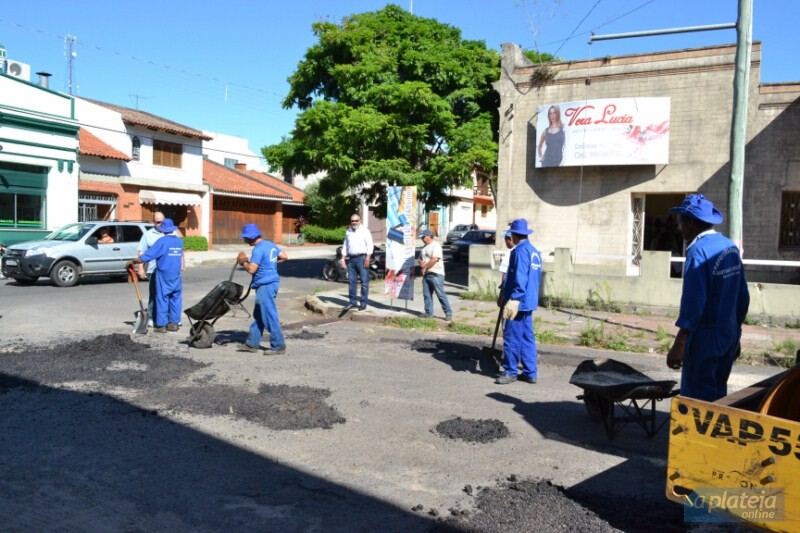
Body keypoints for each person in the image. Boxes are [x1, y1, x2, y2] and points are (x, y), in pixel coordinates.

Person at [666, 194, 750, 401]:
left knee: (697, 399)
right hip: (728, 333)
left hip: (706, 338)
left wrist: (680, 343)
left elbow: (694, 302)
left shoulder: (698, 251)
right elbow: (743, 296)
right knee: (718, 394)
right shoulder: (728, 246)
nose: (679, 228)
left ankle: (696, 434)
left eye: (681, 222)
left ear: (691, 222)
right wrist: (736, 334)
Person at [495, 219, 542, 385]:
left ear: (514, 235)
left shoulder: (519, 252)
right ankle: (530, 372)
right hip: (528, 302)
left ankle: (510, 371)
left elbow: (520, 278)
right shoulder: (534, 251)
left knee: (512, 337)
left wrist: (514, 299)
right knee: (527, 338)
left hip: (518, 301)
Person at [236, 223, 288, 354]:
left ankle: (278, 346)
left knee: (269, 315)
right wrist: (269, 264)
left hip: (265, 285)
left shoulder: (258, 249)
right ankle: (252, 344)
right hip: (272, 283)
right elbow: (284, 256)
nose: (244, 240)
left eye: (245, 237)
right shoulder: (270, 245)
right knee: (259, 315)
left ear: (250, 237)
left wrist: (243, 262)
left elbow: (252, 269)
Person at [128, 218, 185, 333]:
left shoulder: (162, 241)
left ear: (163, 230)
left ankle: (161, 325)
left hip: (163, 274)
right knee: (175, 298)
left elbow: (148, 255)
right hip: (176, 274)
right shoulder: (179, 241)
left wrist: (133, 261)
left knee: (162, 298)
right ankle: (174, 323)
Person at [137, 211, 166, 327]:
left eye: (163, 222)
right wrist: (140, 268)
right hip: (153, 270)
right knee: (154, 295)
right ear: (153, 222)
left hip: (168, 271)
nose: (161, 224)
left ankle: (166, 318)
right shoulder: (148, 235)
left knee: (166, 295)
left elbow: (179, 250)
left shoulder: (171, 232)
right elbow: (141, 251)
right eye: (158, 222)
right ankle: (151, 317)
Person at [417, 229, 452, 321]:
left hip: (436, 274)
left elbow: (434, 259)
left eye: (423, 237)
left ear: (428, 236)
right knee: (427, 294)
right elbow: (419, 258)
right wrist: (421, 263)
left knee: (440, 294)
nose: (422, 239)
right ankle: (429, 312)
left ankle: (448, 313)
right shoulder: (424, 247)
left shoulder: (436, 246)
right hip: (426, 275)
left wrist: (425, 268)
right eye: (421, 238)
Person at [341, 213, 373, 311]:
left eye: (356, 221)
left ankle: (363, 303)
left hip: (362, 258)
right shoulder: (349, 231)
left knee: (364, 282)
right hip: (351, 259)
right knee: (352, 282)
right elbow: (345, 246)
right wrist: (342, 259)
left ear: (360, 221)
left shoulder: (365, 231)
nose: (354, 223)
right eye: (352, 221)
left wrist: (367, 258)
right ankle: (352, 302)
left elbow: (370, 245)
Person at [496, 230, 514, 307]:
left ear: (510, 239)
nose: (505, 242)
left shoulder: (509, 253)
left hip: (509, 293)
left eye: (505, 240)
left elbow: (504, 276)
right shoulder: (523, 251)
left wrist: (501, 296)